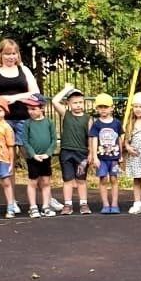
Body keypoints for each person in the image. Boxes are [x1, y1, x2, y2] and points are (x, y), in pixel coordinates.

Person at [0, 38, 40, 215]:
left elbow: (35, 92)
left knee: (31, 156)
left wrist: (17, 97)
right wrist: (3, 99)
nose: (11, 57)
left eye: (14, 53)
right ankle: (11, 201)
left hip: (23, 119)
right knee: (8, 161)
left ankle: (40, 197)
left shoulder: (24, 70)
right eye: (7, 54)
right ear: (0, 54)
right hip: (2, 122)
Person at [52, 85, 92, 215]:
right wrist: (66, 89)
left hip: (82, 153)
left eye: (80, 102)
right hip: (67, 152)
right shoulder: (66, 114)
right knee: (68, 179)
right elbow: (54, 101)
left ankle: (83, 203)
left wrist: (91, 152)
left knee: (81, 180)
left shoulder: (88, 118)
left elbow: (91, 137)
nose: (78, 105)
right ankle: (67, 204)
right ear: (68, 103)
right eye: (75, 102)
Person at [22, 94, 57, 217]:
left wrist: (48, 154)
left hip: (45, 157)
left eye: (33, 108)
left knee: (46, 181)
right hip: (33, 158)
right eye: (29, 109)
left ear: (42, 108)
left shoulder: (49, 122)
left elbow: (54, 140)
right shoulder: (27, 123)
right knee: (33, 182)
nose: (30, 111)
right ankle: (33, 207)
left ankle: (46, 206)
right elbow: (25, 141)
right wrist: (33, 154)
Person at [88, 93, 124, 214]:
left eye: (106, 106)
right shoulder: (97, 124)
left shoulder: (116, 123)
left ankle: (114, 204)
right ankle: (105, 204)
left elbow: (119, 139)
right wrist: (94, 157)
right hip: (101, 157)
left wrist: (121, 155)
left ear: (111, 108)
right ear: (97, 108)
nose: (103, 109)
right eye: (100, 107)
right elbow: (94, 139)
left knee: (114, 179)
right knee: (103, 179)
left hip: (114, 157)